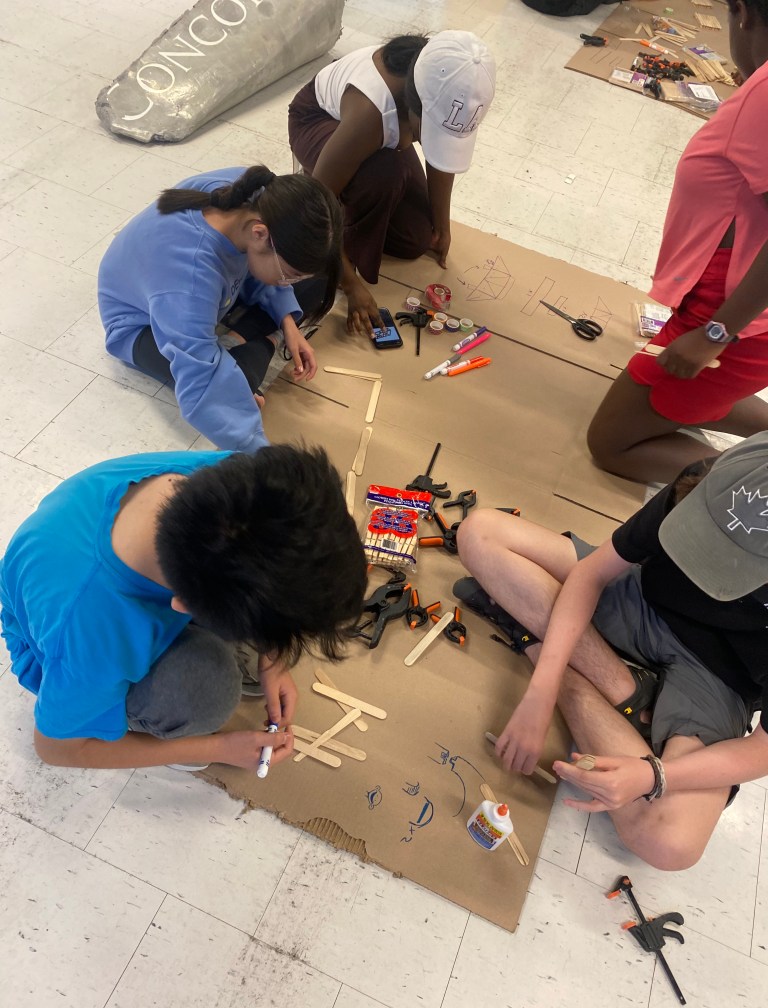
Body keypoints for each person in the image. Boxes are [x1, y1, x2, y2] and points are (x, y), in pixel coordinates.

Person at [454, 432, 768, 870]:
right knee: (480, 533)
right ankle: (628, 692)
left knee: (671, 845)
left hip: (718, 678)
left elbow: (762, 750)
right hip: (643, 600)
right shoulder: (717, 480)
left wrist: (655, 775)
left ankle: (544, 647)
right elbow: (593, 573)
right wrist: (539, 694)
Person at [0, 445, 367, 772]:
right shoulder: (93, 635)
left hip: (101, 586)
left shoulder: (242, 486)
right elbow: (56, 749)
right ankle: (165, 725)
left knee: (284, 597)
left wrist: (275, 660)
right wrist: (217, 748)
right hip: (67, 633)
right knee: (207, 691)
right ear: (183, 607)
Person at [587, 0, 768, 484]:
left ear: (743, 13)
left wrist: (714, 334)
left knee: (611, 442)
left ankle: (748, 488)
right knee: (700, 388)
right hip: (745, 311)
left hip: (735, 315)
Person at [98, 165, 342, 453]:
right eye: (289, 275)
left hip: (202, 295)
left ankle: (241, 343)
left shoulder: (260, 193)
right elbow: (201, 383)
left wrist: (288, 323)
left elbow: (270, 269)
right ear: (259, 234)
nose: (288, 282)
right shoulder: (189, 275)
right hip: (141, 326)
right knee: (232, 389)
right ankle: (252, 342)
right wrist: (262, 456)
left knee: (314, 284)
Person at [288, 31, 495, 337]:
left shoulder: (444, 82)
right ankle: (328, 180)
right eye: (431, 132)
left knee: (415, 239)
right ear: (414, 106)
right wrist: (350, 284)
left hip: (379, 129)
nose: (432, 140)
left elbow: (440, 157)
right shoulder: (371, 114)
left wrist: (442, 226)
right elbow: (313, 203)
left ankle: (353, 191)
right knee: (385, 174)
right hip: (318, 119)